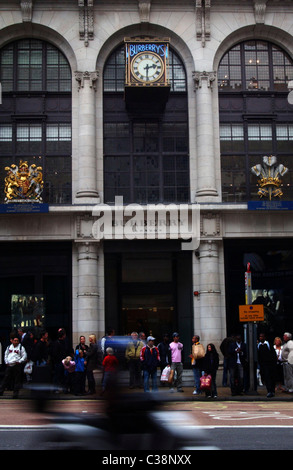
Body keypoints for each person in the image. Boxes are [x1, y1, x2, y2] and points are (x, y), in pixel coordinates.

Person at [0, 333, 27, 398]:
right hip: (9, 365)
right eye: (15, 340)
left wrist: (20, 361)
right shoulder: (9, 347)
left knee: (17, 380)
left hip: (17, 365)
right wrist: (6, 361)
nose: (16, 342)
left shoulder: (21, 347)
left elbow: (24, 356)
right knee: (6, 378)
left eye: (17, 341)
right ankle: (1, 391)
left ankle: (15, 394)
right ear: (12, 341)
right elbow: (5, 355)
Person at [50, 328, 73, 392]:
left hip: (64, 362)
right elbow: (54, 354)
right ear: (63, 335)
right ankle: (56, 389)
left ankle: (64, 389)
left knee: (64, 376)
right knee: (57, 376)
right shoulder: (56, 343)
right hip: (59, 362)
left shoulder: (65, 341)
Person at [257, 332, 277, 398]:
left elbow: (273, 354)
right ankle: (269, 391)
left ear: (264, 337)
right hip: (263, 364)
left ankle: (272, 390)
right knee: (267, 377)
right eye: (260, 336)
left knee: (272, 377)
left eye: (262, 336)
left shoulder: (268, 344)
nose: (261, 338)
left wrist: (273, 362)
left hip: (271, 364)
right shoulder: (259, 345)